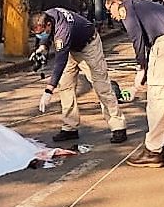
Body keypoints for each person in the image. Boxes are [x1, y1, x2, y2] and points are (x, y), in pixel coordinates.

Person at [105, 0, 164, 168]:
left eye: (110, 10)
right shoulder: (143, 3)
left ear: (116, 3)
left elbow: (137, 38)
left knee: (157, 99)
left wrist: (140, 67)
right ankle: (163, 145)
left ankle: (153, 151)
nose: (112, 16)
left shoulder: (126, 7)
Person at [31, 7, 127, 143]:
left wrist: (48, 90)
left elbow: (60, 62)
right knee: (65, 85)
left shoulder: (63, 30)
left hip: (89, 47)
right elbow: (48, 37)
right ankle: (70, 127)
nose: (40, 36)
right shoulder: (48, 15)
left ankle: (118, 127)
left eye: (41, 33)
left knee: (101, 86)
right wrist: (42, 47)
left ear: (49, 24)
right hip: (72, 48)